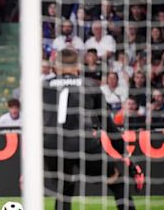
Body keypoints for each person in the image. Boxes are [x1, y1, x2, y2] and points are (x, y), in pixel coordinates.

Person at [43, 48, 144, 210]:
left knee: (65, 185)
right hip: (82, 142)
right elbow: (108, 126)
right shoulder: (89, 84)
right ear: (78, 67)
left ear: (55, 67)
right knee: (115, 179)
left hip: (51, 146)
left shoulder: (42, 86)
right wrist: (127, 158)